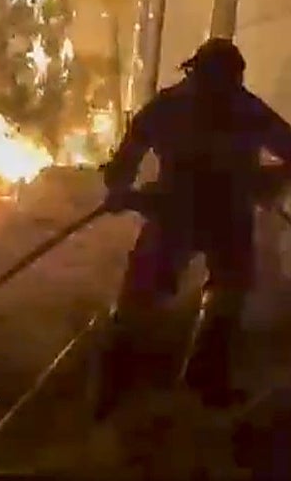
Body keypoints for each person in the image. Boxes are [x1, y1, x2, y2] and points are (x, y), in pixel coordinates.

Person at [95, 38, 291, 417]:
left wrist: (269, 180)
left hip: (202, 213)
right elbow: (125, 162)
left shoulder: (195, 106)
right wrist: (121, 188)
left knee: (215, 291)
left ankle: (154, 383)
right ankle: (121, 385)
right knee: (157, 295)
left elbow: (124, 164)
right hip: (184, 212)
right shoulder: (229, 107)